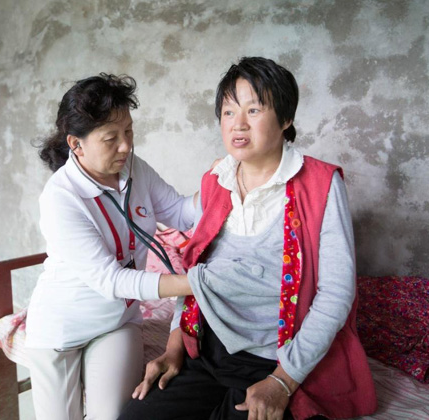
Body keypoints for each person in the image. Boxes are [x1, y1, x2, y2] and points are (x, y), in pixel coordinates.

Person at [120, 57, 377, 420]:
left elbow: (336, 293)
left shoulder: (321, 184)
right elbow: (198, 271)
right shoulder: (217, 180)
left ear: (286, 119)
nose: (237, 124)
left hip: (275, 360)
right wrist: (175, 344)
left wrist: (283, 381)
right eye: (228, 112)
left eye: (253, 110)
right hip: (206, 349)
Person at [25, 73, 196, 420]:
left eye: (128, 132)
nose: (125, 146)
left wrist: (223, 181)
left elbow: (181, 212)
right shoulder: (60, 198)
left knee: (115, 417)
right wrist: (194, 284)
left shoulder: (134, 168)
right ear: (76, 144)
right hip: (61, 328)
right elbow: (111, 280)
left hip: (117, 322)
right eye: (111, 138)